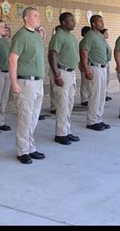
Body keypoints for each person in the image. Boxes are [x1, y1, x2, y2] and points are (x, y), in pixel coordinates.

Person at [9, 6, 46, 164]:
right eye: (36, 16)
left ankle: (31, 147)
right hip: (25, 82)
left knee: (34, 118)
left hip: (38, 82)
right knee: (25, 118)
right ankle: (22, 150)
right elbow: (12, 59)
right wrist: (14, 83)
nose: (39, 18)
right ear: (26, 18)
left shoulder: (37, 36)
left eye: (39, 16)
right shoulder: (21, 36)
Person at [48, 12, 80, 145]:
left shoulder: (71, 36)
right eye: (71, 20)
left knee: (69, 103)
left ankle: (67, 130)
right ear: (63, 23)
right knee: (62, 104)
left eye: (73, 20)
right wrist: (57, 75)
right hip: (62, 72)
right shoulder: (59, 36)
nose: (74, 22)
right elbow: (52, 55)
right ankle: (60, 134)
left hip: (71, 73)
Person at [79, 15, 110, 131]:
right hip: (94, 68)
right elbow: (84, 53)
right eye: (100, 22)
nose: (102, 23)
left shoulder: (101, 36)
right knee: (95, 95)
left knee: (102, 95)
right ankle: (92, 121)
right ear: (93, 24)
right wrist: (86, 70)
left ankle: (99, 119)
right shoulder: (89, 36)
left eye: (103, 21)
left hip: (102, 67)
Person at [78, 26, 92, 106]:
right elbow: (82, 54)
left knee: (88, 83)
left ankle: (87, 97)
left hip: (87, 63)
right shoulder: (84, 42)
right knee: (85, 83)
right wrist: (84, 65)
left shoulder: (87, 41)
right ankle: (84, 99)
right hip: (85, 63)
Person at [100, 29, 112, 101]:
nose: (108, 34)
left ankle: (104, 94)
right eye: (106, 33)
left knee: (106, 80)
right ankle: (102, 95)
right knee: (103, 81)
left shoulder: (105, 42)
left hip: (107, 62)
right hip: (102, 63)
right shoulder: (101, 42)